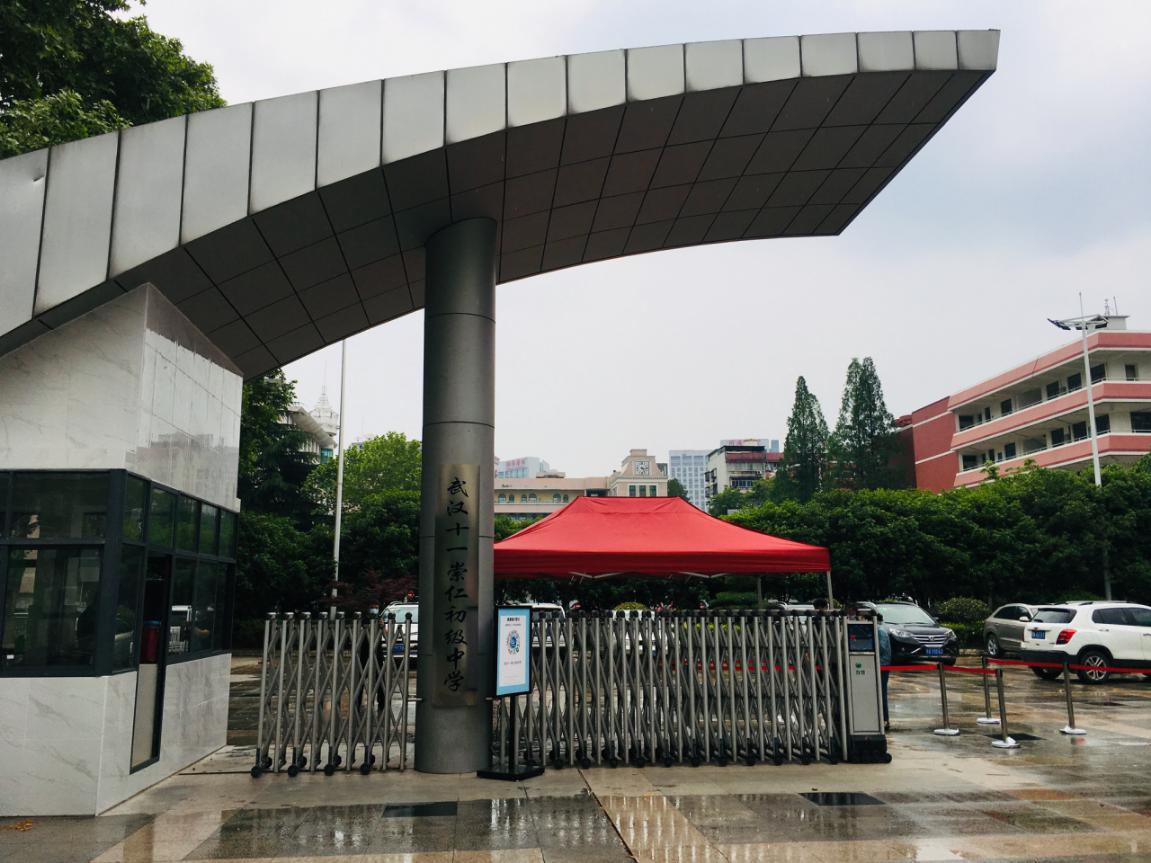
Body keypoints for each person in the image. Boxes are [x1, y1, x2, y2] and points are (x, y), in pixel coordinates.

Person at [877, 612, 892, 732]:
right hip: (881, 665)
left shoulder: (879, 630)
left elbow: (881, 648)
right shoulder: (881, 629)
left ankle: (885, 719)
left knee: (881, 693)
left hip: (882, 666)